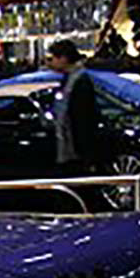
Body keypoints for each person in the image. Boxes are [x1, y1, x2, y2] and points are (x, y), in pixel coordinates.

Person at [44, 39, 102, 176]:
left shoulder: (80, 81)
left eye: (53, 58)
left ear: (63, 58)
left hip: (76, 150)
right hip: (69, 147)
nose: (51, 63)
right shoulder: (68, 79)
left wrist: (85, 152)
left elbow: (83, 118)